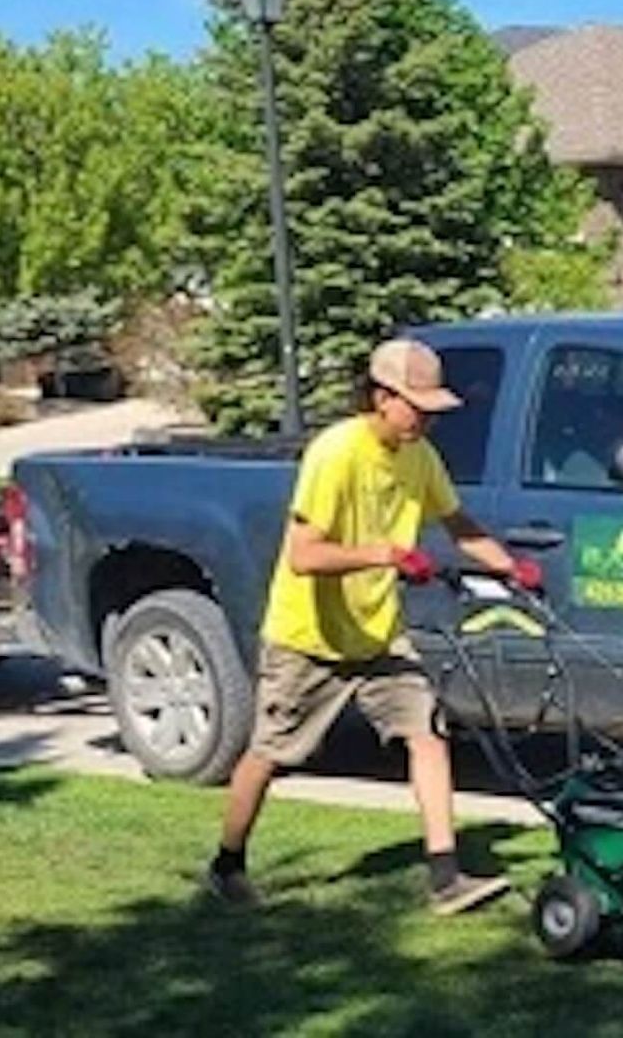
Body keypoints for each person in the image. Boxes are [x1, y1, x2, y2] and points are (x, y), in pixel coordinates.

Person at [205, 338, 543, 915]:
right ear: (382, 396)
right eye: (418, 405)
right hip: (307, 638)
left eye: (434, 407)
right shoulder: (336, 453)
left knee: (427, 737)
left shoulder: (419, 457)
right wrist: (385, 555)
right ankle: (227, 863)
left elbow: (457, 522)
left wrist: (510, 566)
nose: (428, 418)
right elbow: (304, 556)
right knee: (271, 754)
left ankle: (446, 878)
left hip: (379, 632)